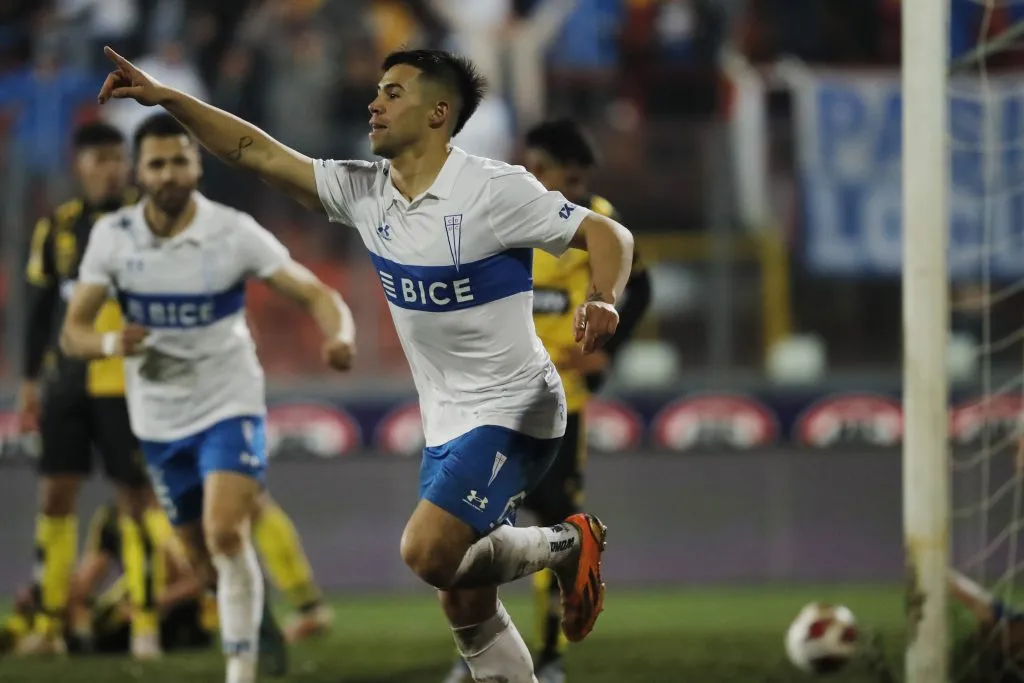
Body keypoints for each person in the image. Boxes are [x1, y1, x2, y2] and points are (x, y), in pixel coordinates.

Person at [95, 46, 633, 683]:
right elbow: (257, 152)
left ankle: (568, 545)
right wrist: (170, 100)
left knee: (428, 550)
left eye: (393, 93)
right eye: (377, 90)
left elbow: (609, 236)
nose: (374, 103)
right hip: (447, 421)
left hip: (518, 405)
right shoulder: (364, 191)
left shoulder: (494, 190)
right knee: (462, 594)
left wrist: (602, 298)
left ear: (438, 112)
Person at [60, 113, 356, 683]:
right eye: (157, 163)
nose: (170, 173)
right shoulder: (112, 239)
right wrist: (105, 342)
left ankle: (239, 670)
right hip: (158, 417)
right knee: (203, 561)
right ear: (139, 173)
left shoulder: (232, 231)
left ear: (197, 166)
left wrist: (339, 334)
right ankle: (254, 611)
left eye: (180, 160)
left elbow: (313, 291)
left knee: (226, 531)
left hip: (230, 401)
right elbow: (72, 331)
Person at [446, 118, 653, 683]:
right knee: (475, 528)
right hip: (497, 401)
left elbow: (642, 288)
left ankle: (549, 655)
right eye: (529, 166)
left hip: (564, 402)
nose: (530, 176)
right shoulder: (510, 216)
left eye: (543, 170)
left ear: (576, 176)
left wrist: (607, 352)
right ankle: (480, 650)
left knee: (551, 525)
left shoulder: (598, 228)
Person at [16, 120, 160, 658]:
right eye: (99, 159)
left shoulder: (147, 223)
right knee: (55, 496)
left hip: (127, 383)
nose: (110, 168)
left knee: (133, 501)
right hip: (68, 381)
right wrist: (29, 383)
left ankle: (145, 622)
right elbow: (38, 312)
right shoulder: (56, 229)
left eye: (117, 158)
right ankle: (50, 625)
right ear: (79, 166)